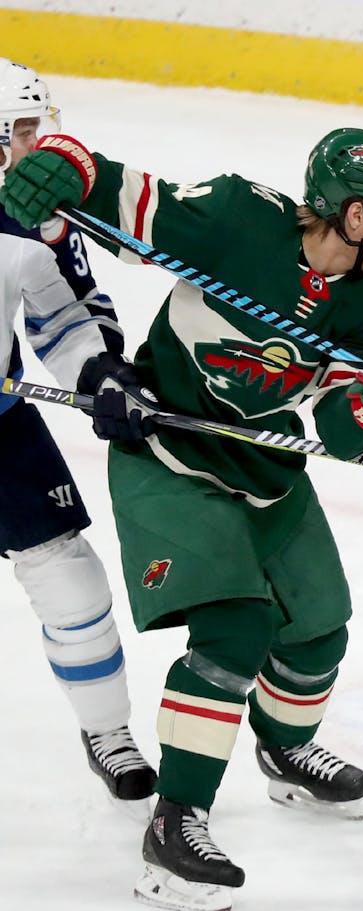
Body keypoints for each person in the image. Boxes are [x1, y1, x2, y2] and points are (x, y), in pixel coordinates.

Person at [0, 122, 363, 911]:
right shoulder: (237, 219)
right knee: (235, 629)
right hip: (167, 452)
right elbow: (122, 196)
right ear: (353, 213)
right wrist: (56, 166)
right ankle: (175, 827)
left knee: (319, 630)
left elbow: (338, 430)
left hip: (268, 471)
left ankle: (284, 745)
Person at [0, 58, 157, 809]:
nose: (42, 145)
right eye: (27, 130)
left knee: (70, 577)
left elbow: (62, 316)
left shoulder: (34, 215)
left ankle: (107, 730)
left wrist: (99, 374)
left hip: (2, 431)